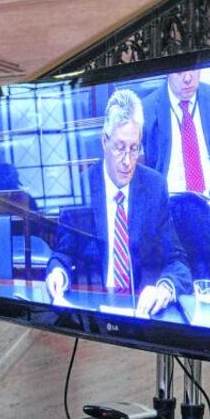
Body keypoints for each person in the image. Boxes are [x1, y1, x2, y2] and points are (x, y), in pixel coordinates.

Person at [45, 89, 191, 318]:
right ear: (104, 141)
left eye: (134, 149)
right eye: (119, 147)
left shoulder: (154, 187)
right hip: (94, 309)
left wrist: (163, 290)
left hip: (142, 309)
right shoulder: (81, 189)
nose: (127, 161)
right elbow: (63, 254)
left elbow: (177, 261)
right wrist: (57, 274)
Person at [140, 69, 210, 292]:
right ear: (166, 73)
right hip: (169, 215)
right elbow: (142, 182)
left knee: (201, 218)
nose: (188, 78)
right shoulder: (146, 109)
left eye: (193, 70)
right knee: (192, 212)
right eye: (180, 71)